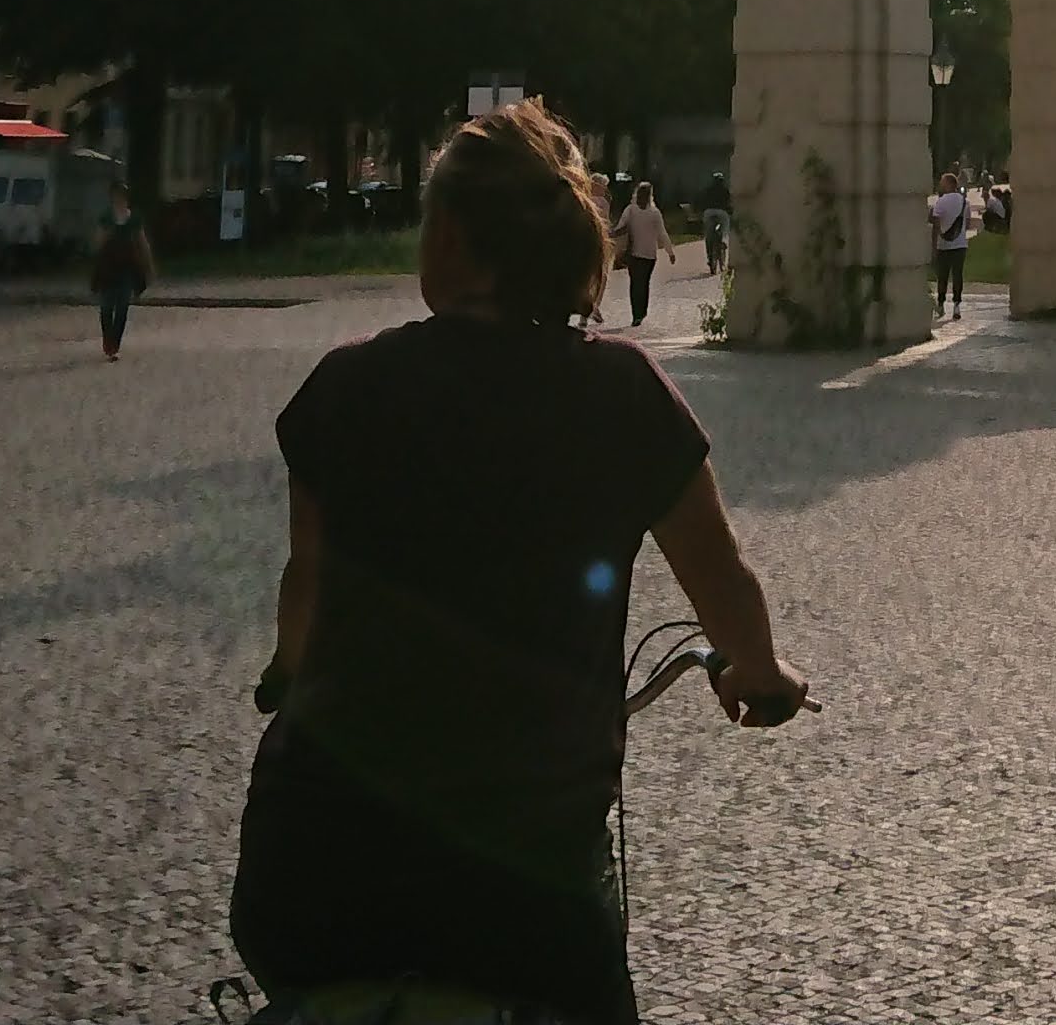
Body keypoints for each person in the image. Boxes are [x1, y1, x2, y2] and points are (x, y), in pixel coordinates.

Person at [230, 100, 807, 1025]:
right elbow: (723, 578)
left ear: (451, 236)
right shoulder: (624, 394)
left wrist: (287, 672)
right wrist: (760, 671)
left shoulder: (346, 385)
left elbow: (307, 582)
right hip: (524, 883)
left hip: (315, 865)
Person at [90, 182, 157, 361]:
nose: (119, 198)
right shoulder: (106, 217)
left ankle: (114, 346)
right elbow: (97, 243)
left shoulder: (134, 218)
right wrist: (104, 237)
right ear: (112, 197)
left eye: (122, 195)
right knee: (106, 308)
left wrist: (149, 267)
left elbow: (142, 243)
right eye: (116, 195)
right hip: (108, 268)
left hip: (127, 269)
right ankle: (107, 341)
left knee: (122, 308)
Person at [615, 176, 670, 328]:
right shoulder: (654, 212)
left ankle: (636, 314)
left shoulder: (630, 210)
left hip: (633, 253)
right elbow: (662, 233)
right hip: (649, 254)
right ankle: (641, 312)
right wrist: (670, 252)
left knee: (635, 283)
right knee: (644, 283)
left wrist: (611, 235)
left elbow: (620, 227)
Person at [925, 171, 974, 317]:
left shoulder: (941, 202)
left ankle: (941, 304)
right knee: (957, 275)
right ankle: (957, 306)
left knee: (943, 276)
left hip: (944, 245)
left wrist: (934, 246)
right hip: (960, 245)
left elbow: (936, 226)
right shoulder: (965, 202)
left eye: (942, 182)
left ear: (948, 184)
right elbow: (968, 224)